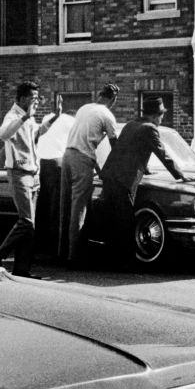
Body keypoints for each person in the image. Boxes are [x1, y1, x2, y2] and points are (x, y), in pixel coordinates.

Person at [100, 96, 195, 263]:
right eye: (161, 115)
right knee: (126, 220)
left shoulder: (131, 125)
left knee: (111, 217)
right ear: (154, 116)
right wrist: (181, 175)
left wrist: (146, 169)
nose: (162, 119)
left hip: (109, 175)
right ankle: (126, 261)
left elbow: (128, 150)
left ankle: (110, 258)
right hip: (124, 180)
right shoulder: (149, 129)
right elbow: (163, 154)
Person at [0, 82, 63, 277]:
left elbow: (38, 133)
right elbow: (2, 133)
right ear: (22, 99)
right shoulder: (13, 116)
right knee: (26, 222)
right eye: (33, 97)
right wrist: (24, 117)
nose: (36, 101)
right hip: (19, 173)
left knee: (30, 227)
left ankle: (22, 269)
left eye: (37, 97)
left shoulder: (28, 119)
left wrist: (55, 117)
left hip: (33, 174)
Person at [58, 83, 119, 265]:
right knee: (79, 208)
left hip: (67, 156)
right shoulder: (108, 115)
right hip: (82, 160)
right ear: (113, 99)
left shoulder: (84, 108)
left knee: (65, 206)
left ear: (99, 95)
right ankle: (74, 256)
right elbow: (114, 145)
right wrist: (112, 168)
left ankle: (62, 252)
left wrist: (98, 168)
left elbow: (84, 135)